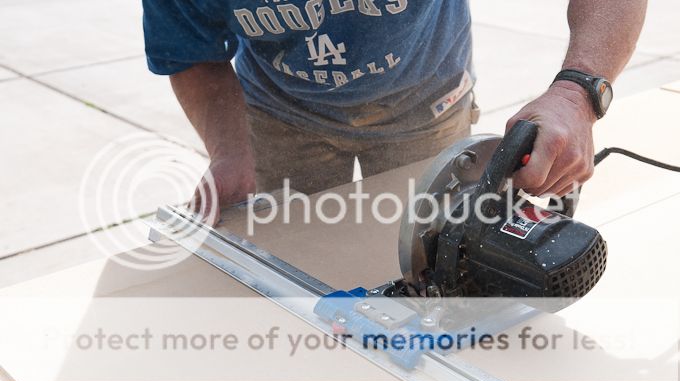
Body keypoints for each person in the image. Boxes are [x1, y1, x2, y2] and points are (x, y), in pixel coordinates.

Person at [142, 0, 646, 221]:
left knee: (434, 262)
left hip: (426, 105)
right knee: (299, 266)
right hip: (280, 118)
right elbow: (193, 53)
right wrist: (230, 152)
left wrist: (576, 92)